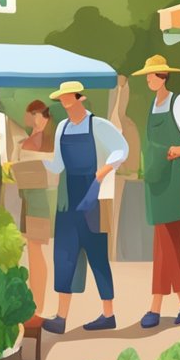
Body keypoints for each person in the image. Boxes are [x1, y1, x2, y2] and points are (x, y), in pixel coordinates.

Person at [42, 81, 128, 333]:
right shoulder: (61, 127)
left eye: (69, 97)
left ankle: (108, 314)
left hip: (93, 197)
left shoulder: (99, 125)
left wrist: (105, 169)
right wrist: (36, 164)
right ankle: (60, 317)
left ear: (79, 98)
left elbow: (122, 148)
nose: (66, 102)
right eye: (62, 99)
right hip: (67, 197)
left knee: (98, 255)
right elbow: (58, 164)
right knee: (64, 256)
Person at [132, 55, 180, 328]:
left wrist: (179, 150)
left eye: (152, 76)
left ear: (163, 77)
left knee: (167, 244)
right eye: (148, 76)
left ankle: (177, 304)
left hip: (175, 183)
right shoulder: (153, 105)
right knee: (164, 245)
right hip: (156, 181)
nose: (149, 80)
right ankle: (165, 306)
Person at [17, 100, 57, 326]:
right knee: (33, 252)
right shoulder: (40, 138)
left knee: (35, 252)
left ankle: (38, 306)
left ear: (37, 115)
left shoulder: (40, 141)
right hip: (32, 199)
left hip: (38, 199)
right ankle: (37, 304)